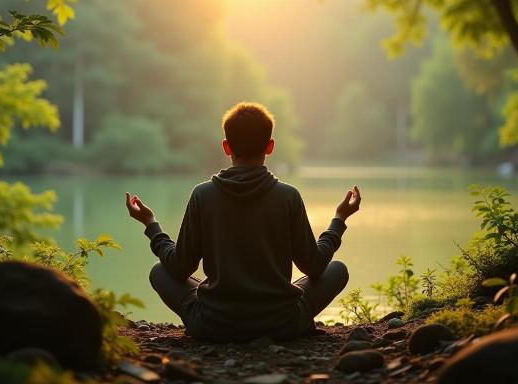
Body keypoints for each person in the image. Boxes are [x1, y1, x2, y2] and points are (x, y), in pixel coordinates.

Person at [125, 102, 361, 342]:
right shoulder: (288, 196)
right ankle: (290, 322)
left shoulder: (202, 195)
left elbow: (179, 268)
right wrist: (339, 220)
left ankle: (212, 319)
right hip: (282, 324)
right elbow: (315, 266)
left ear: (226, 148)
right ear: (270, 147)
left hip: (212, 326)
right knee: (337, 270)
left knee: (158, 271)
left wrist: (151, 224)